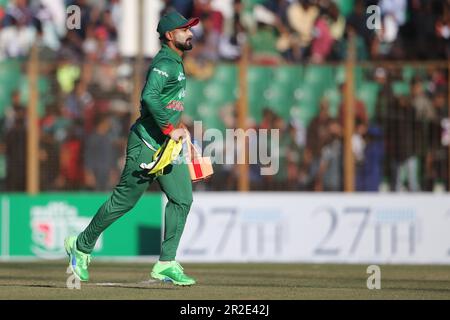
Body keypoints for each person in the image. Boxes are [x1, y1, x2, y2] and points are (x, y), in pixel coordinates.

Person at [64, 11, 200, 286]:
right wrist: (167, 128)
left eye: (190, 28)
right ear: (170, 35)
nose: (191, 33)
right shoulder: (165, 61)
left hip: (166, 147)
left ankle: (166, 263)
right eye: (185, 29)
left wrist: (179, 127)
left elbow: (167, 102)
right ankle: (81, 245)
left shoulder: (175, 61)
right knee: (123, 202)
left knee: (182, 199)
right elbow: (149, 96)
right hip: (147, 144)